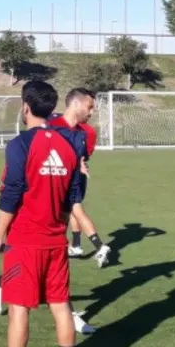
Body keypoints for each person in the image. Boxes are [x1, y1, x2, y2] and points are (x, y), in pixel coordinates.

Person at [0, 80, 81, 347]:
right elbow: (73, 198)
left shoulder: (20, 144)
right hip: (56, 240)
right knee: (61, 305)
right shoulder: (69, 146)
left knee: (19, 308)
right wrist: (60, 225)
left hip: (25, 241)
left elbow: (11, 193)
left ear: (25, 106)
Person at [49, 89, 111, 267]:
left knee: (71, 210)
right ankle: (79, 245)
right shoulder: (51, 126)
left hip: (75, 177)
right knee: (71, 211)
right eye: (89, 107)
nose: (92, 113)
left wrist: (78, 164)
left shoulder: (85, 133)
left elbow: (84, 157)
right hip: (53, 180)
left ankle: (78, 246)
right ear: (75, 103)